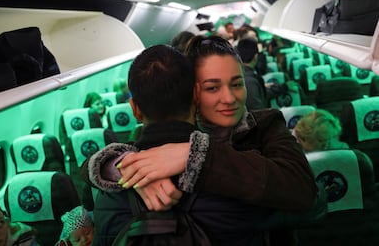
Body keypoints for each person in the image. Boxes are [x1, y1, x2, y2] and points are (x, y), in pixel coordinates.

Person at [88, 45, 322, 245]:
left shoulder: (108, 197)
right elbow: (311, 204)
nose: (229, 99)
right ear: (196, 96)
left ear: (135, 109)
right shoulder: (235, 174)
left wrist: (123, 167)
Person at [116, 36, 317, 213]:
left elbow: (304, 191)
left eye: (237, 84)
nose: (229, 98)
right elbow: (109, 158)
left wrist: (197, 156)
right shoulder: (172, 136)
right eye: (212, 88)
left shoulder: (266, 125)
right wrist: (118, 166)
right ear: (193, 93)